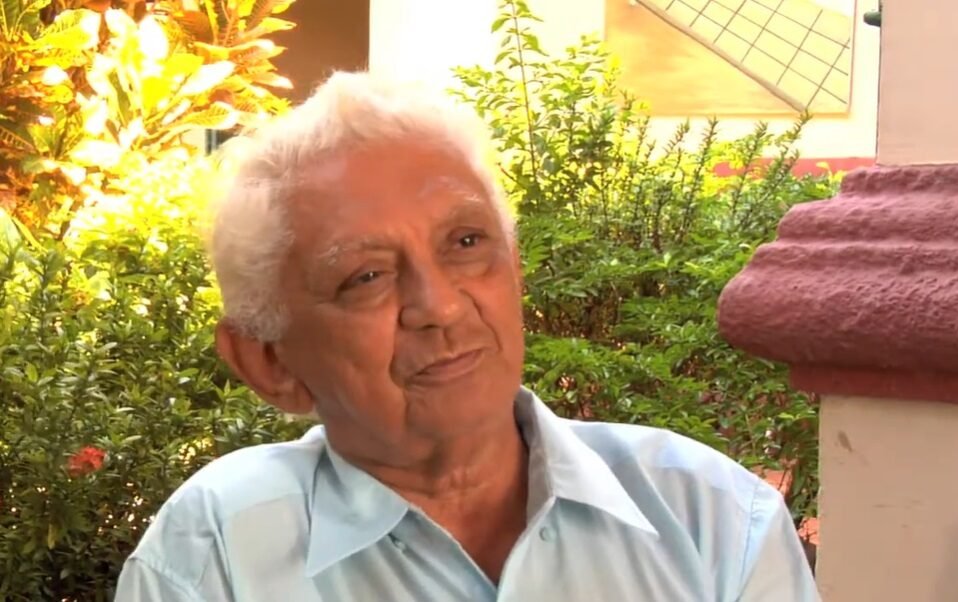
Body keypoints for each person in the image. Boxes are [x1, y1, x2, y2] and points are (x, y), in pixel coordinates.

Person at [115, 71, 820, 601]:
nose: (440, 306)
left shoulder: (714, 520)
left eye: (465, 242)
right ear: (269, 361)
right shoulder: (215, 555)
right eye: (366, 277)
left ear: (515, 268)